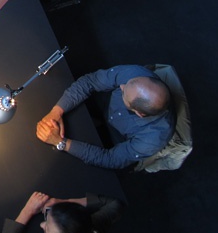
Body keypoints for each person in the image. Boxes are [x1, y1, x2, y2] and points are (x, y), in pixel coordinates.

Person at [36, 65, 175, 169]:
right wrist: (57, 111)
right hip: (101, 106)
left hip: (111, 140)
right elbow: (90, 82)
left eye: (123, 93)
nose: (121, 85)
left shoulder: (153, 138)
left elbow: (110, 159)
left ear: (140, 113)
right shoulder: (135, 75)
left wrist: (60, 142)